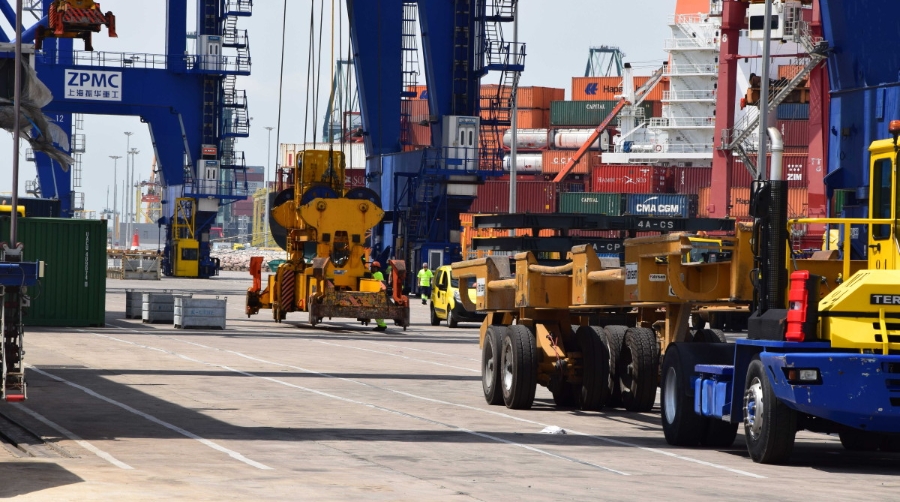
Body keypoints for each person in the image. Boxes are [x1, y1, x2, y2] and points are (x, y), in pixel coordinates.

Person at [371, 261, 388, 331]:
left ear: (376, 268)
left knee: (377, 311)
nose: (372, 269)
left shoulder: (378, 274)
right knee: (377, 311)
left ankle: (382, 325)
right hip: (377, 294)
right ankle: (381, 325)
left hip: (378, 295)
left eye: (373, 267)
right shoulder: (377, 273)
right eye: (372, 267)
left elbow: (372, 278)